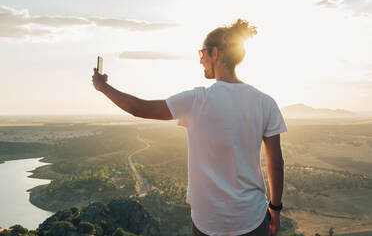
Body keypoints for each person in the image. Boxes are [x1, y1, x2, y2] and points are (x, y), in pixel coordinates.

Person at [92, 19, 287, 236]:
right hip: (251, 218)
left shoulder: (197, 100)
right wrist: (275, 209)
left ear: (216, 53)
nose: (201, 60)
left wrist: (103, 87)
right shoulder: (264, 102)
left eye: (202, 54)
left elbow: (139, 108)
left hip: (209, 222)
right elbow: (276, 164)